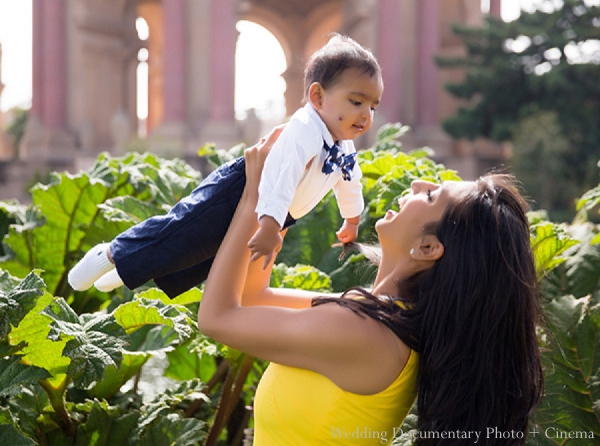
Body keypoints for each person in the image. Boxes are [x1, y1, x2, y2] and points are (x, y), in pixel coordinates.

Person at [198, 127, 543, 445]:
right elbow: (253, 298)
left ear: (428, 248)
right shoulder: (377, 318)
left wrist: (253, 200)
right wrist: (284, 201)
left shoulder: (362, 331)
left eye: (431, 196)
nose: (418, 184)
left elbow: (217, 318)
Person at [67, 34, 383, 298]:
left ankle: (127, 269)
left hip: (276, 212)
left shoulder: (343, 143)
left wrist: (352, 218)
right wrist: (271, 226)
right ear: (317, 96)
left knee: (205, 258)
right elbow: (280, 176)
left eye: (372, 105)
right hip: (242, 190)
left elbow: (350, 179)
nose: (366, 114)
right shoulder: (303, 130)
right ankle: (111, 253)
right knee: (186, 232)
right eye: (356, 102)